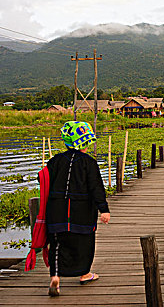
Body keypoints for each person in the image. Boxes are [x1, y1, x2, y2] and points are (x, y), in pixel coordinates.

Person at [46, 121, 110, 297]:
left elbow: (42, 180)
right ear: (85, 143)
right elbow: (96, 187)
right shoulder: (88, 163)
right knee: (84, 243)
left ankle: (55, 277)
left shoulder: (55, 161)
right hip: (82, 212)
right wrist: (103, 209)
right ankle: (85, 274)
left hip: (56, 211)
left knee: (57, 244)